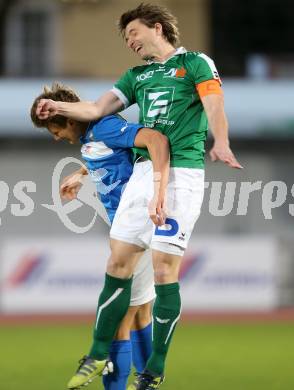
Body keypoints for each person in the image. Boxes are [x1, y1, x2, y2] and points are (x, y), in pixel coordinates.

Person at [36, 4, 243, 389]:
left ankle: (154, 370)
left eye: (132, 33)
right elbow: (97, 108)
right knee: (118, 263)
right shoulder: (136, 76)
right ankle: (97, 356)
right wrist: (58, 106)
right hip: (144, 174)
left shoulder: (195, 63)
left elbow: (214, 103)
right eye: (126, 37)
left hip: (181, 172)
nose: (129, 41)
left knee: (164, 271)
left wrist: (222, 141)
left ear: (157, 28)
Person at [30, 82, 170, 390]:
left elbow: (149, 140)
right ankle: (149, 381)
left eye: (55, 130)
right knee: (139, 313)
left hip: (136, 230)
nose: (56, 138)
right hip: (133, 230)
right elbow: (118, 150)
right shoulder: (94, 136)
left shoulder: (104, 125)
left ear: (67, 118)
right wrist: (82, 172)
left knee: (120, 320)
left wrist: (158, 190)